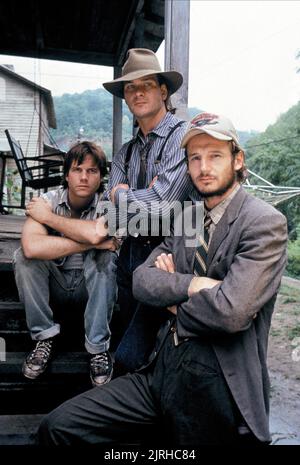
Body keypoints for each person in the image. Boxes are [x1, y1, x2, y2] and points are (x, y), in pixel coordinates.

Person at [38, 112, 287, 446]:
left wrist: (171, 301)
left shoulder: (263, 222)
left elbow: (232, 312)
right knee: (58, 427)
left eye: (215, 156)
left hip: (217, 379)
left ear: (238, 160)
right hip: (159, 370)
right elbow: (142, 281)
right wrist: (192, 285)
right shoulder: (188, 216)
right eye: (195, 158)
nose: (204, 167)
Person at [102, 48, 192, 371]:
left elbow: (164, 205)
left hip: (169, 255)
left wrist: (123, 195)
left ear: (163, 91)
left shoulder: (181, 137)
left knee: (133, 355)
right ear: (125, 97)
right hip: (131, 253)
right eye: (130, 87)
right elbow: (110, 215)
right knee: (128, 334)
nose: (138, 92)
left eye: (147, 84)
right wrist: (142, 196)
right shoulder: (124, 152)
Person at [13, 141, 118, 387]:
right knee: (24, 258)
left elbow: (96, 234)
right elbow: (31, 246)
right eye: (77, 169)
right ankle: (44, 336)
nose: (84, 177)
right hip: (55, 286)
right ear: (67, 174)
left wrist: (49, 220)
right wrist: (91, 242)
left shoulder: (107, 206)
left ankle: (97, 349)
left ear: (101, 176)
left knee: (106, 257)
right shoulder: (47, 201)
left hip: (90, 289)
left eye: (92, 171)